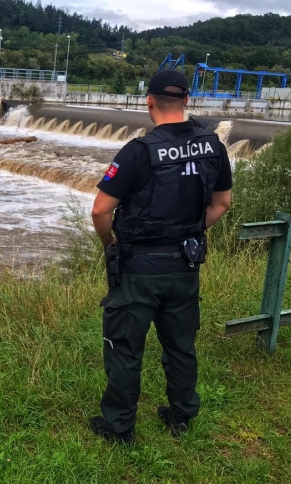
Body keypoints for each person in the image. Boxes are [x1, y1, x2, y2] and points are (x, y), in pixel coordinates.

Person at [89, 69, 232, 443]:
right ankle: (181, 415)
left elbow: (100, 212)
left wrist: (111, 245)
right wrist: (189, 232)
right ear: (187, 101)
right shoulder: (212, 146)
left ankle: (119, 428)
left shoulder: (138, 152)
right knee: (181, 345)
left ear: (148, 101)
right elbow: (223, 203)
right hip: (185, 263)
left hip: (139, 267)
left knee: (125, 349)